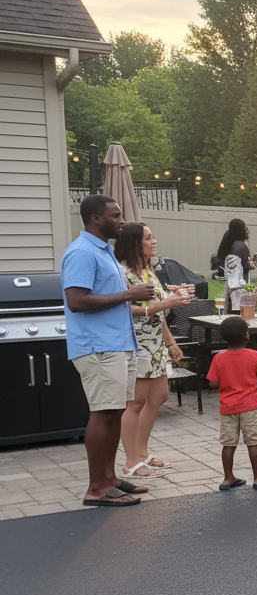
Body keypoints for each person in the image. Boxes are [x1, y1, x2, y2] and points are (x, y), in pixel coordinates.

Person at [62, 195, 157, 507]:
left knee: (115, 412)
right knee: (103, 413)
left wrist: (126, 297)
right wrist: (129, 294)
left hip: (118, 344)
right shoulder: (81, 253)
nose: (122, 220)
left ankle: (110, 477)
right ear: (95, 219)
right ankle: (96, 488)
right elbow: (77, 301)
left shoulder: (105, 252)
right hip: (98, 347)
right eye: (115, 215)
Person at [114, 222, 192, 479]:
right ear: (136, 243)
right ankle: (131, 462)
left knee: (159, 395)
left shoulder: (148, 269)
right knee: (134, 402)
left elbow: (160, 310)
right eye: (148, 238)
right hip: (136, 343)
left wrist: (170, 342)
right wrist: (163, 304)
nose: (154, 241)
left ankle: (142, 452)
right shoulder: (122, 272)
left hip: (156, 343)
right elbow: (123, 308)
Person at [207, 316, 257, 490]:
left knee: (228, 443)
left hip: (228, 408)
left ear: (223, 338)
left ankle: (228, 478)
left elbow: (212, 383)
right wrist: (252, 383)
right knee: (253, 442)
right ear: (247, 336)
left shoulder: (219, 358)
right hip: (250, 406)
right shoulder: (255, 355)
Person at [216, 218, 257, 312]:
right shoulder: (239, 246)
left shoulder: (232, 243)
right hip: (238, 286)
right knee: (239, 312)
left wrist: (251, 260)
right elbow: (242, 267)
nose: (247, 230)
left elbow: (237, 263)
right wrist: (253, 262)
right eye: (245, 228)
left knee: (230, 311)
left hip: (231, 285)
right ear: (241, 230)